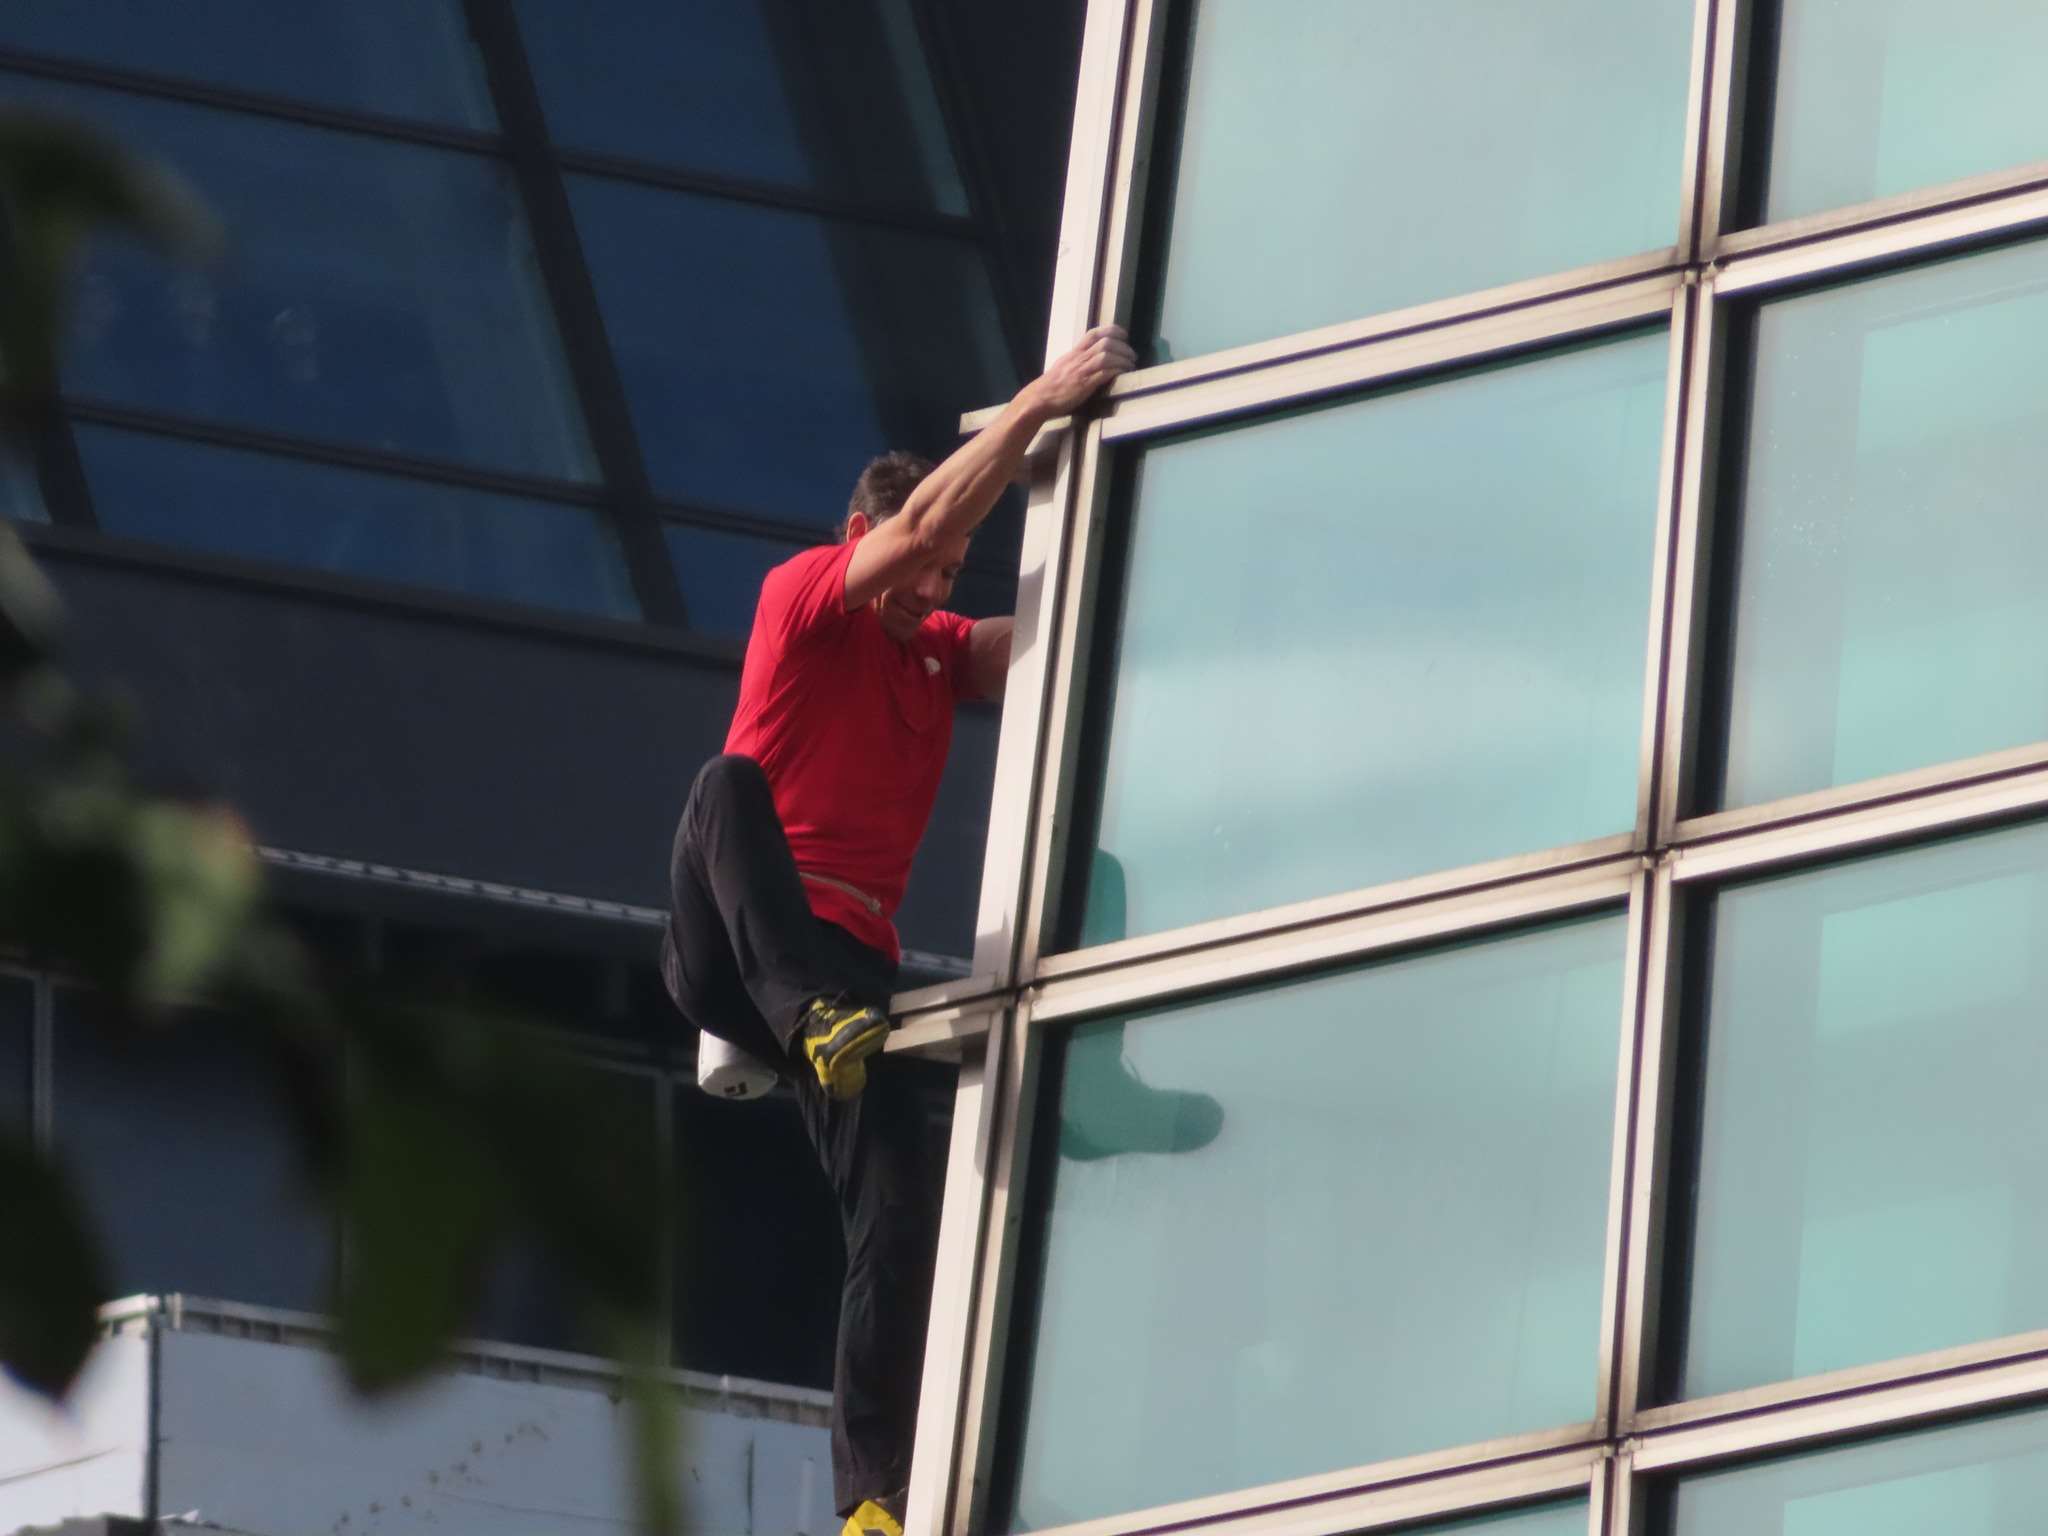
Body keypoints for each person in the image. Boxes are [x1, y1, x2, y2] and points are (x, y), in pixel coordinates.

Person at [662, 324, 1142, 1535]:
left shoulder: (933, 654)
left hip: (849, 978)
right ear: (860, 550)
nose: (937, 590)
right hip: (736, 948)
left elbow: (1042, 639)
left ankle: (868, 1501)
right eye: (922, 570)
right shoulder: (805, 602)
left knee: (897, 1214)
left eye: (953, 573)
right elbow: (922, 532)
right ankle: (800, 1015)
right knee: (727, 784)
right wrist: (1040, 399)